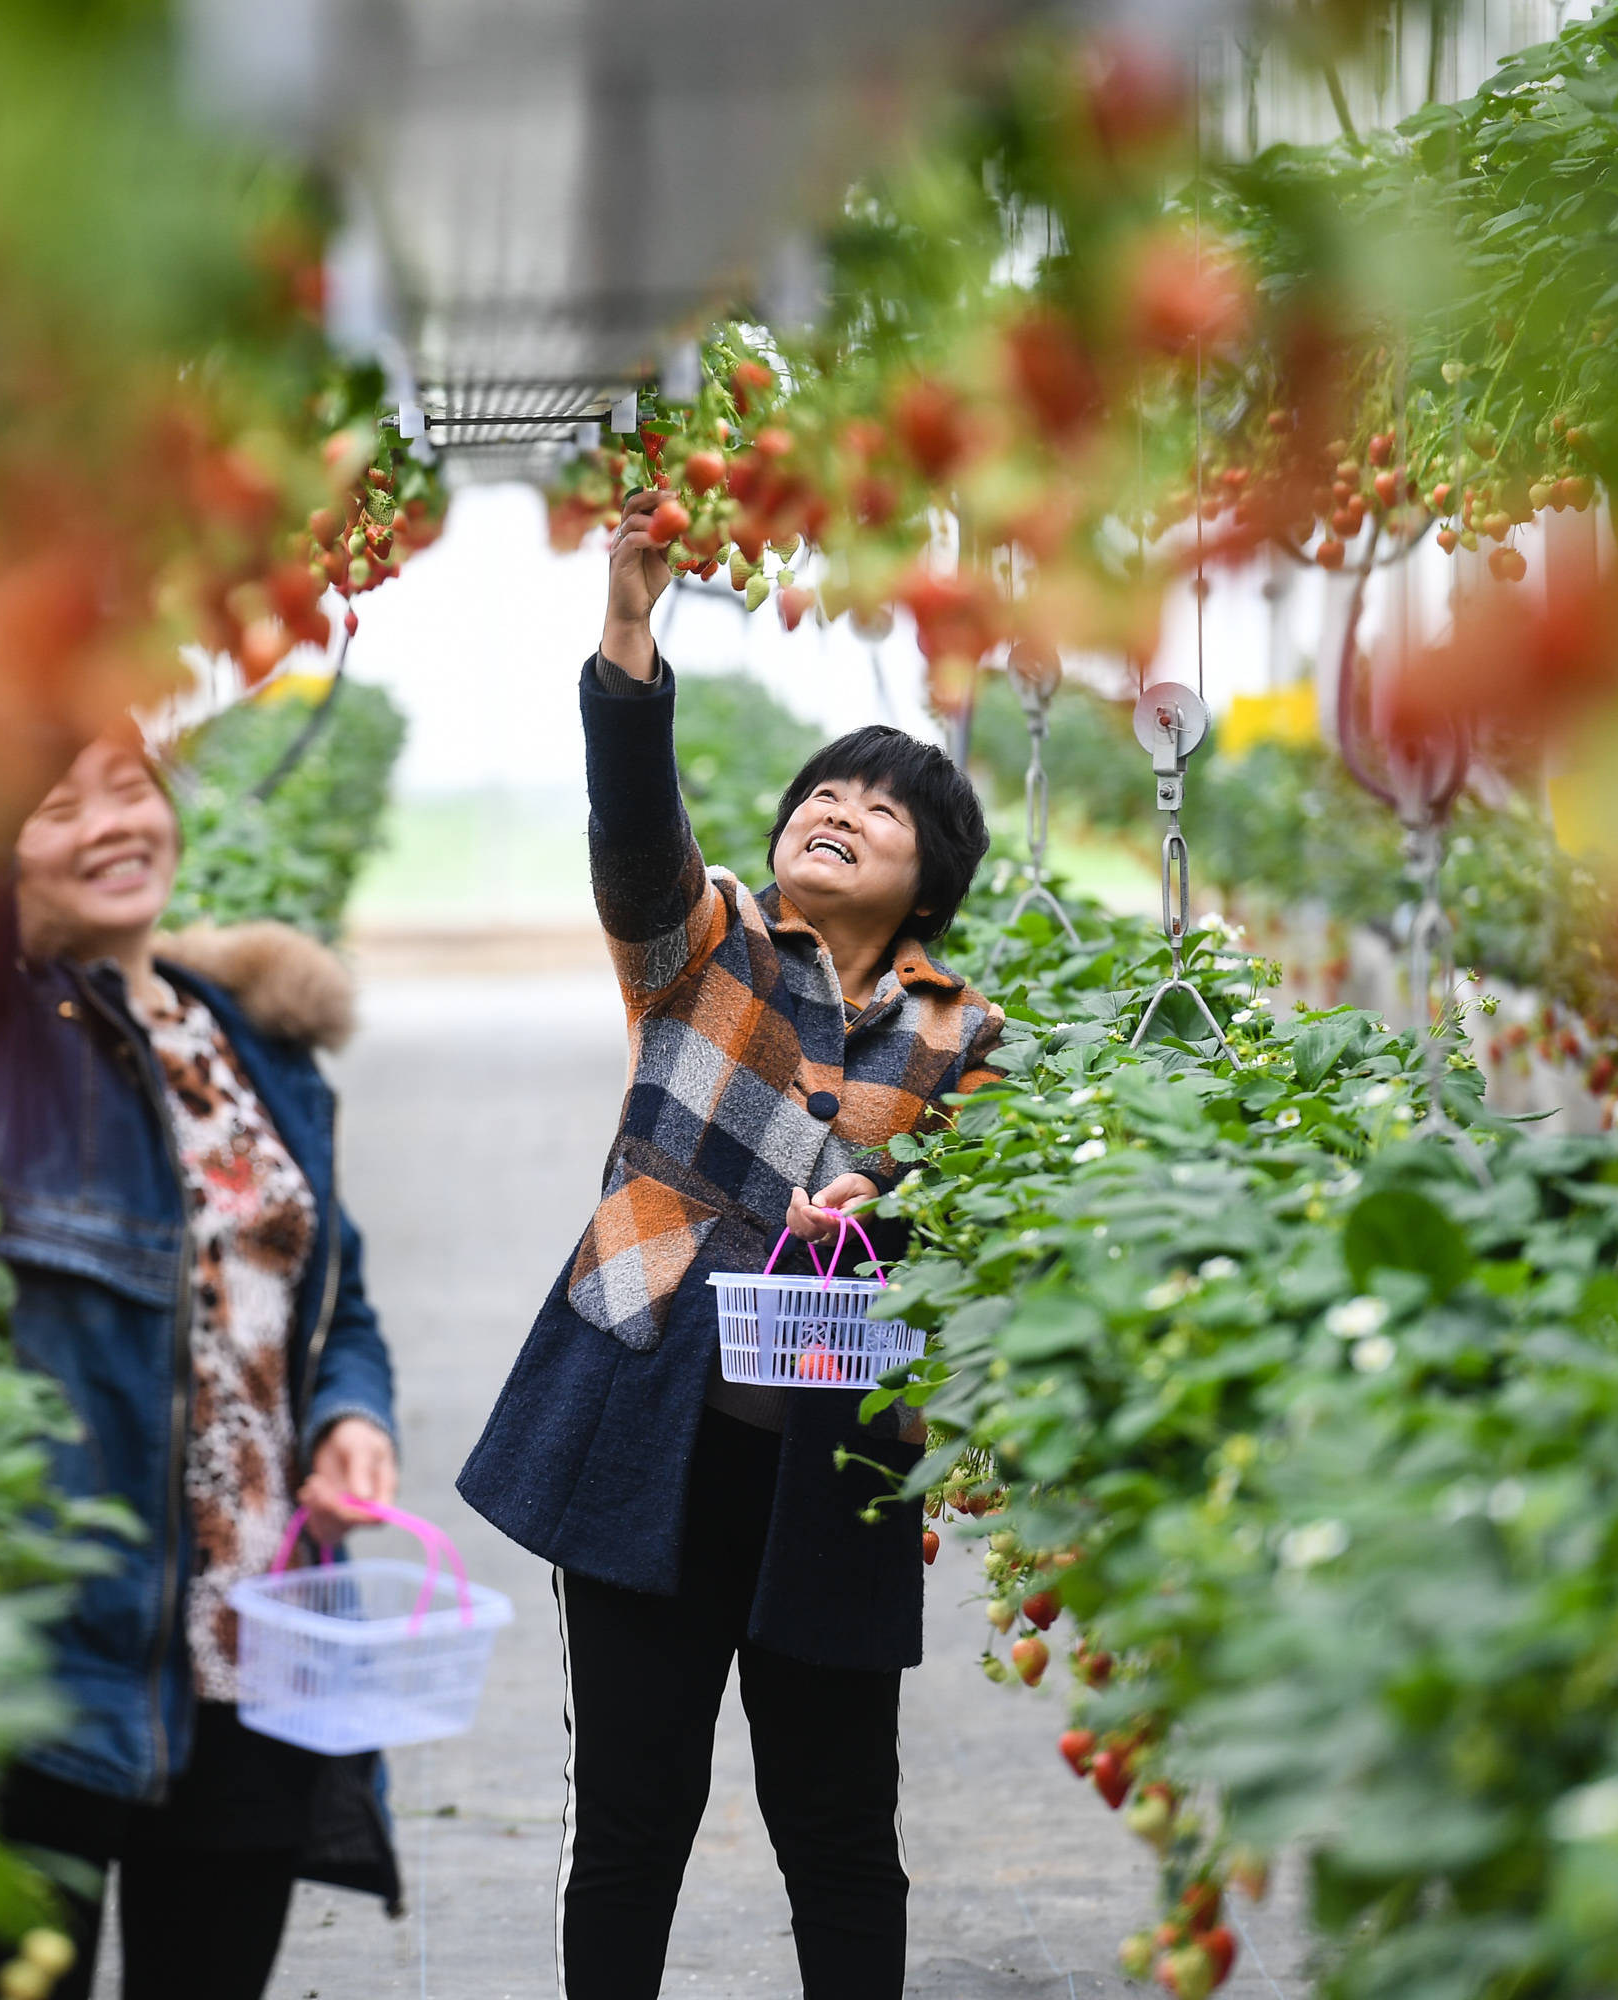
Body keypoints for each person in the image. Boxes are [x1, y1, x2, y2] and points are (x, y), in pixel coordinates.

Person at [456, 489, 1006, 1999]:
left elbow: (989, 1219)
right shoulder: (704, 944)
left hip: (835, 1453)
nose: (838, 810)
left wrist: (885, 1211)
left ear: (927, 884)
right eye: (824, 793)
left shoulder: (967, 1035)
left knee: (838, 1827)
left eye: (882, 810)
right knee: (636, 1817)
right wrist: (630, 631)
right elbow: (636, 831)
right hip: (650, 1415)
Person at [0, 721, 404, 2000]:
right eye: (57, 807)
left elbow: (337, 1300)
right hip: (56, 1642)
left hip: (257, 1633)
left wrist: (347, 1411)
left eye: (131, 789)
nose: (112, 824)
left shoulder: (255, 1042)